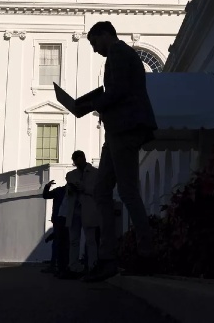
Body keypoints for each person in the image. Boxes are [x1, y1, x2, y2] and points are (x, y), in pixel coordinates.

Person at [82, 21, 158, 282]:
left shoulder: (118, 52)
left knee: (127, 191)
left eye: (94, 43)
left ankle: (146, 254)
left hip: (125, 129)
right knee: (102, 191)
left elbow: (120, 90)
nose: (94, 50)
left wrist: (93, 103)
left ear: (104, 35)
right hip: (117, 130)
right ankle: (108, 257)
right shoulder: (121, 54)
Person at [57, 150, 99, 279]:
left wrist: (84, 188)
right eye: (74, 160)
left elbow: (97, 191)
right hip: (74, 210)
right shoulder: (71, 175)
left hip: (88, 209)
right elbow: (69, 189)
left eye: (77, 159)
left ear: (83, 158)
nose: (76, 163)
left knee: (90, 240)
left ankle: (92, 266)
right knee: (73, 240)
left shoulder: (95, 173)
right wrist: (71, 189)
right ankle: (73, 266)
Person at [41, 179, 68, 275]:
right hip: (60, 220)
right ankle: (56, 265)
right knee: (59, 243)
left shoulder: (61, 191)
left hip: (64, 220)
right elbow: (46, 196)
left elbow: (46, 195)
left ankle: (58, 265)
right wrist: (47, 186)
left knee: (61, 243)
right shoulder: (59, 191)